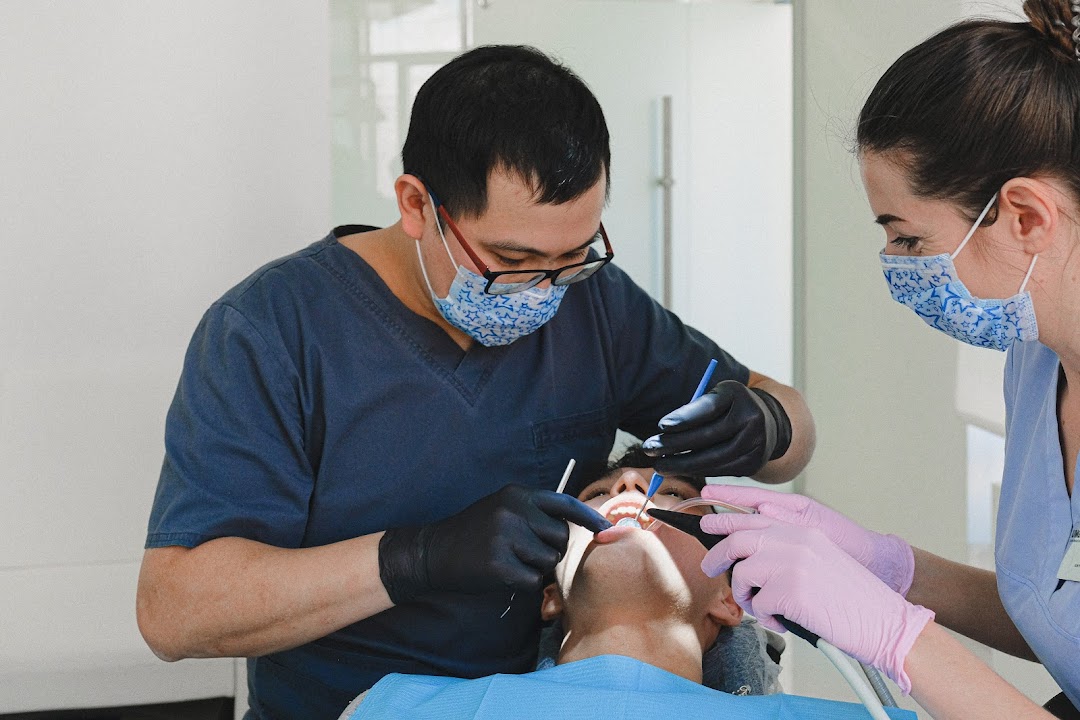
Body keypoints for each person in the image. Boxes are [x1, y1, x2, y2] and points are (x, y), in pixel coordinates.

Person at [135, 45, 815, 720]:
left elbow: (793, 437)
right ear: (415, 203)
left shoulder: (597, 307)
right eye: (511, 259)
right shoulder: (273, 331)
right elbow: (175, 612)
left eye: (573, 256)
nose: (545, 291)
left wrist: (770, 424)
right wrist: (414, 559)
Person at [690, 3, 1080, 719]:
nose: (895, 266)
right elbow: (1062, 614)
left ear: (1025, 217)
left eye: (907, 239)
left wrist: (900, 638)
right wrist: (890, 568)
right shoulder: (1036, 365)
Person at [336, 449, 913, 720]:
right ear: (551, 594)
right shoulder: (394, 707)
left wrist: (904, 631)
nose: (631, 485)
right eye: (592, 496)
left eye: (672, 496)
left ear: (732, 598)